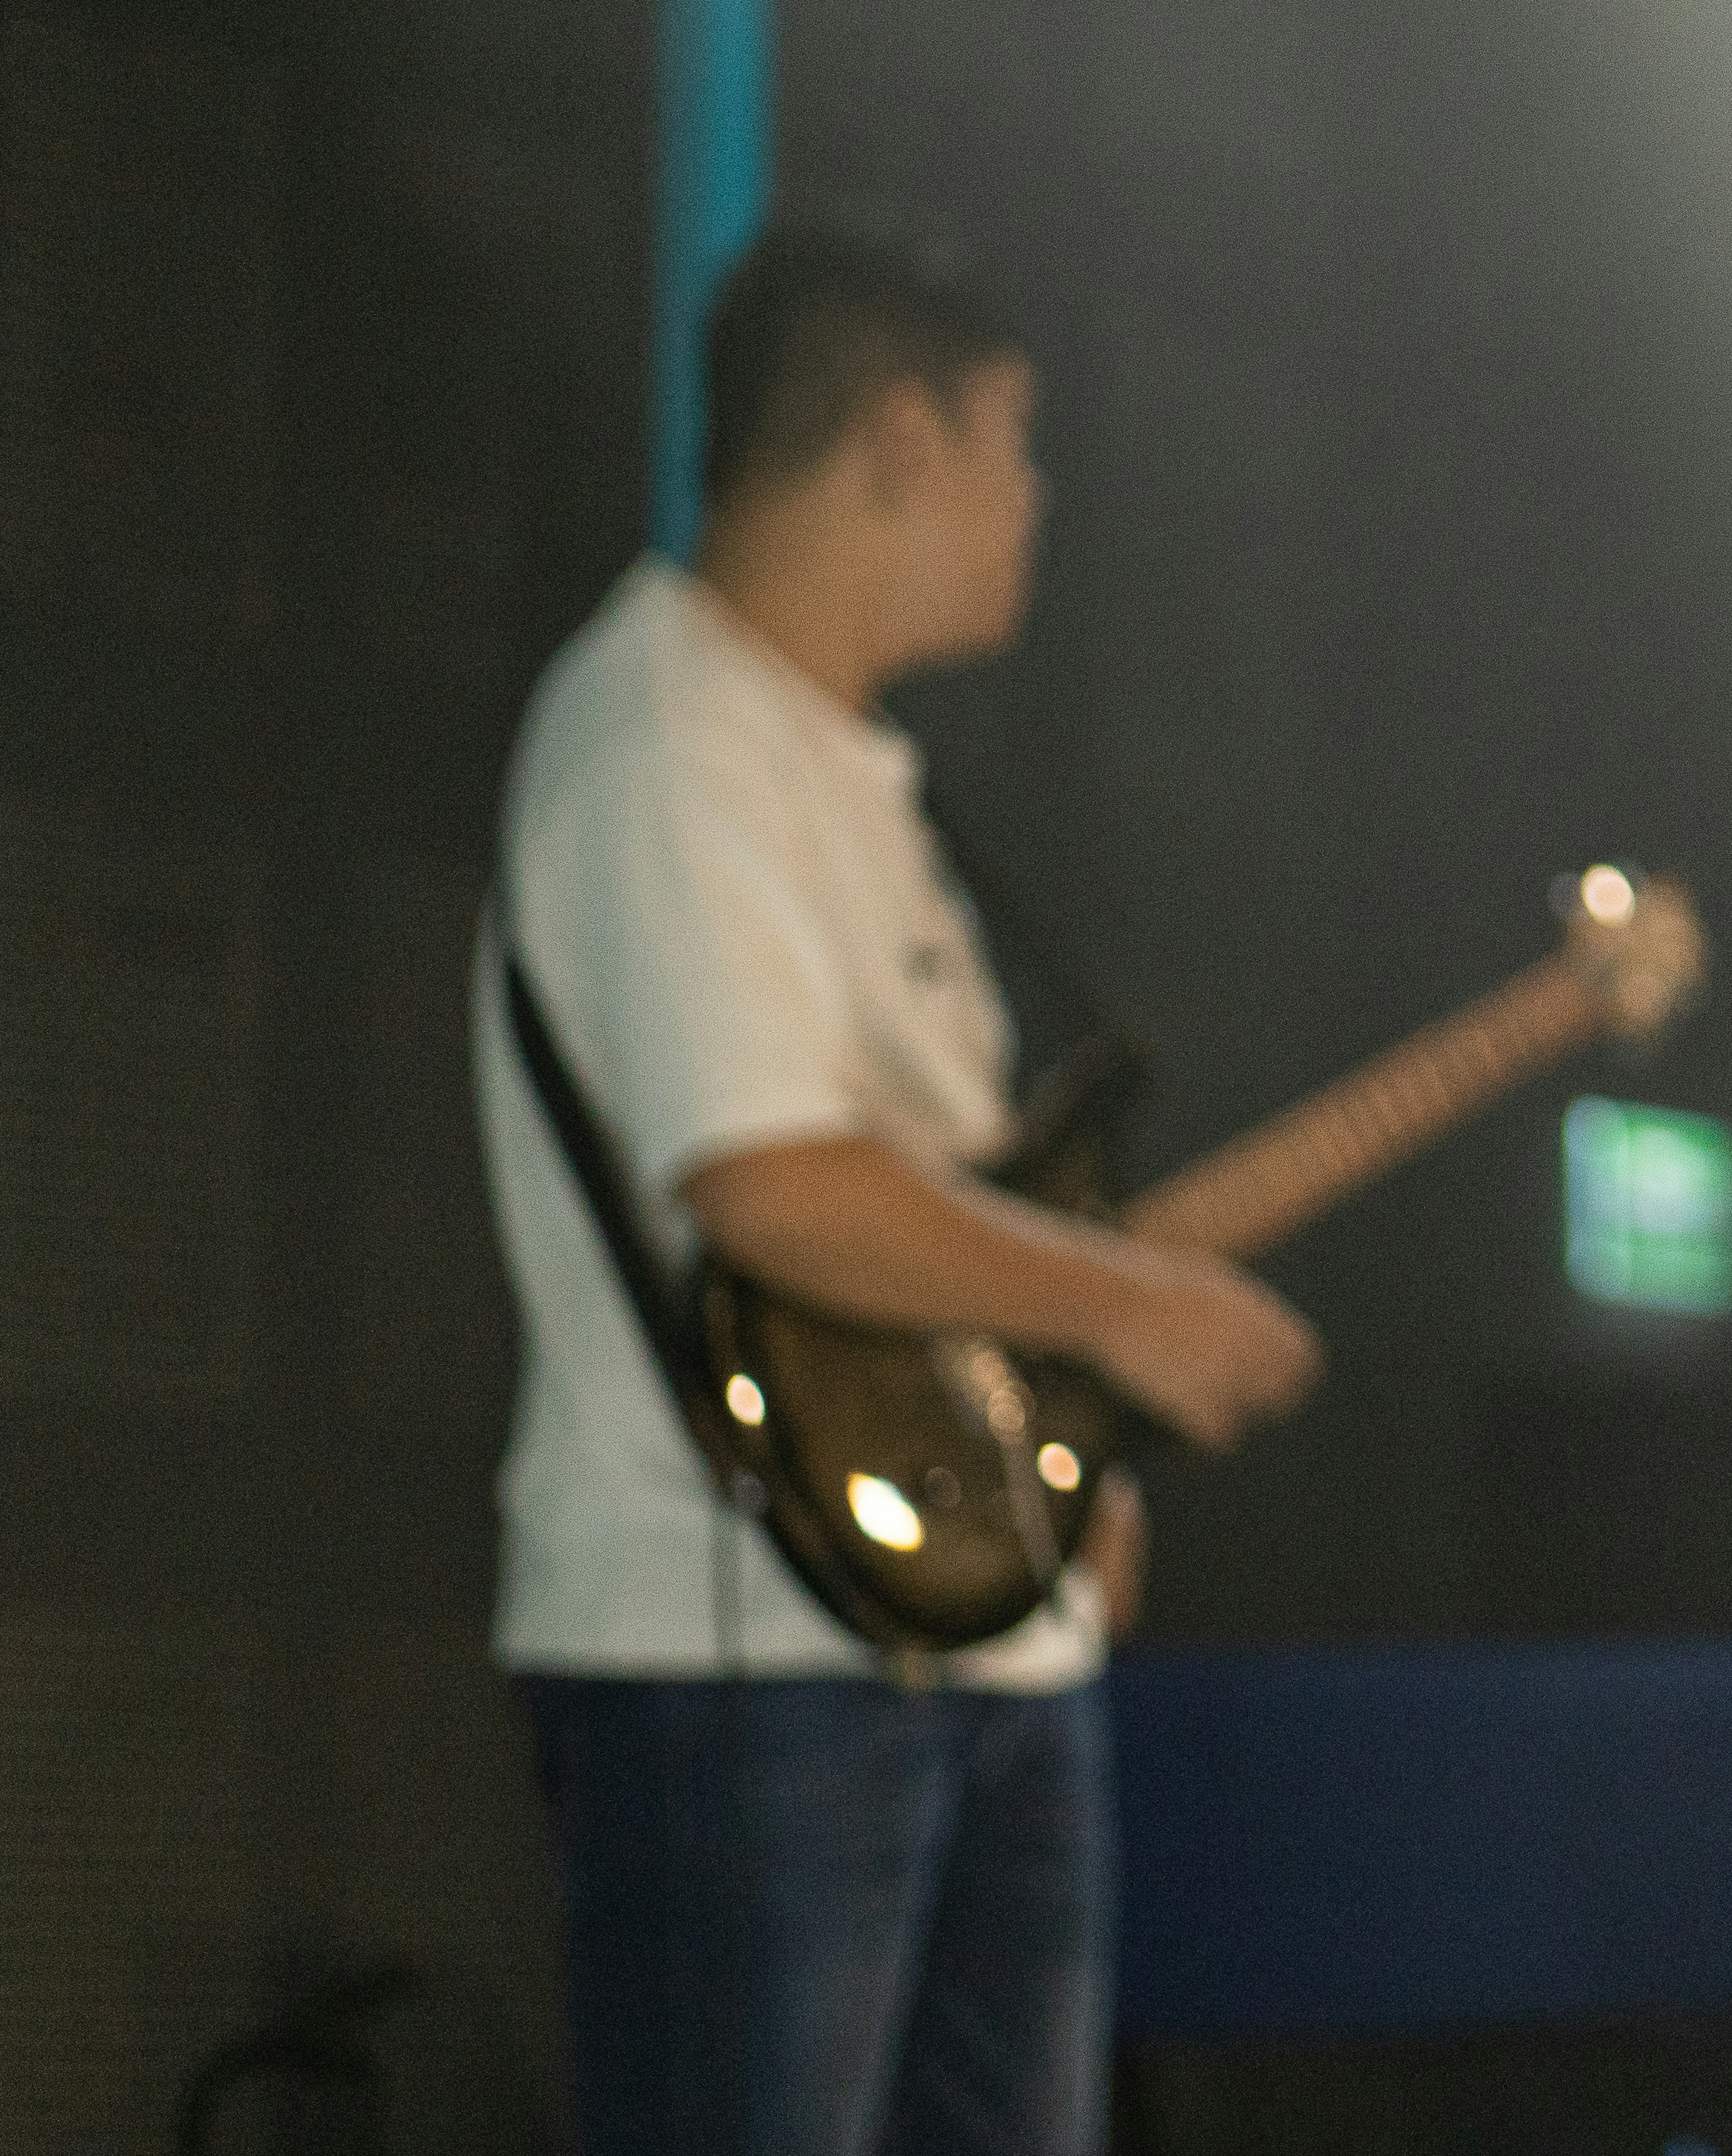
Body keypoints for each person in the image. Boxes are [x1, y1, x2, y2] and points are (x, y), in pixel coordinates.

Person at [472, 215, 1326, 2156]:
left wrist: (1064, 1452)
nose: (1037, 502)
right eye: (1012, 444)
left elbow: (940, 1214)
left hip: (962, 1634)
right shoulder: (665, 734)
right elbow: (773, 1184)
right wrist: (1125, 1310)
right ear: (895, 438)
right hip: (742, 1661)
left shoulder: (847, 768)